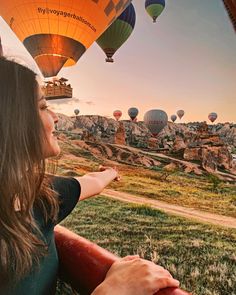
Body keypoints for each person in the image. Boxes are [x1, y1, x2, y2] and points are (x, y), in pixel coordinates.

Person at [0, 57, 180, 294]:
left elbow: (91, 183)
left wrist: (110, 173)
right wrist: (113, 289)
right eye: (43, 106)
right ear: (12, 119)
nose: (55, 117)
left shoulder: (40, 194)